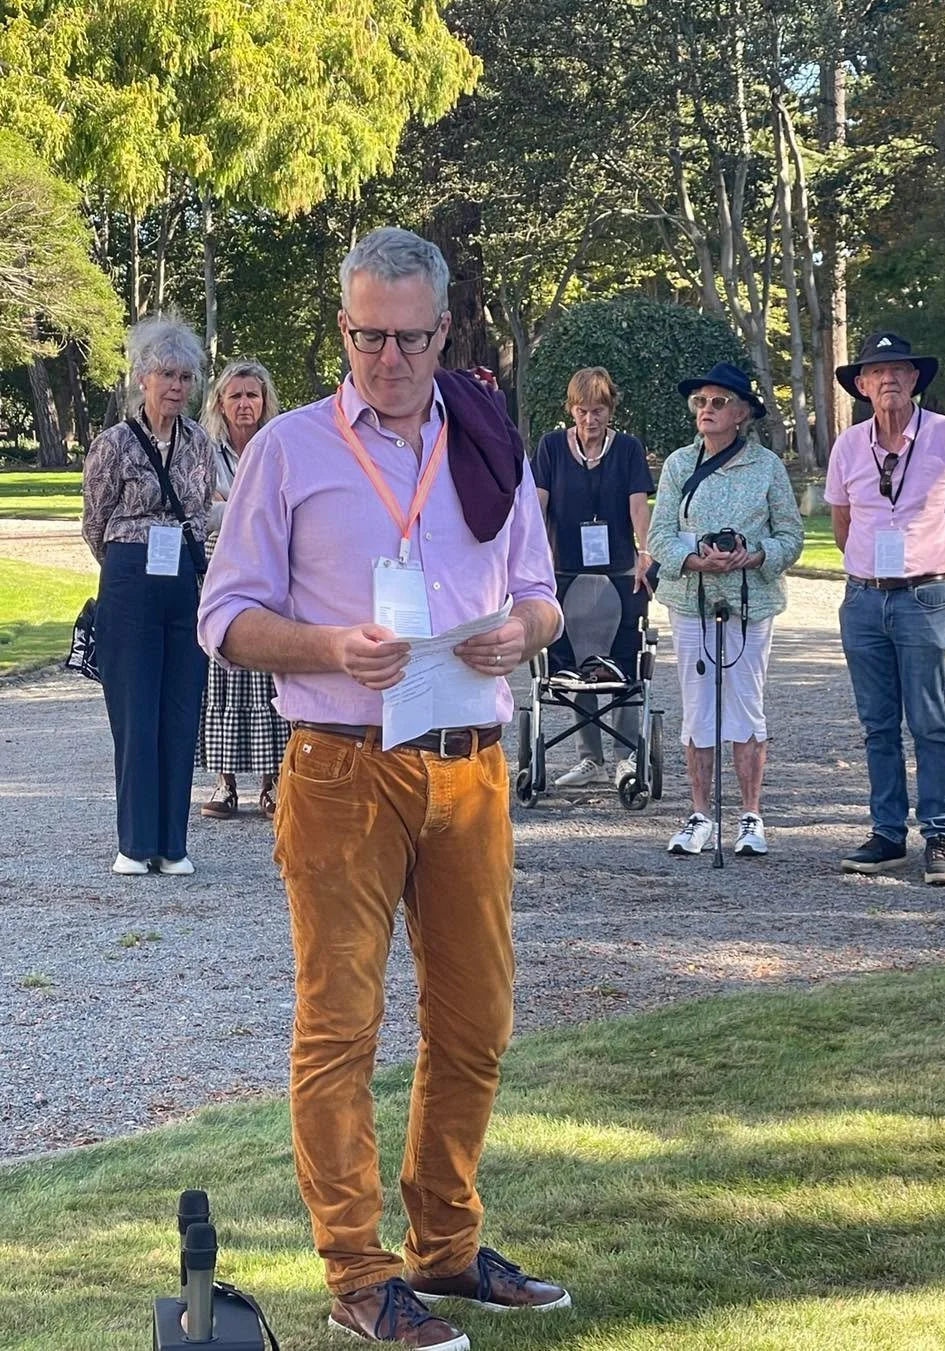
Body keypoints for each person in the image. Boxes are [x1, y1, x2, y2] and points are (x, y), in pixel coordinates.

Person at [198, 227, 567, 1349]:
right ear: (344, 330)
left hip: (467, 765)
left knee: (476, 1022)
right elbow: (225, 619)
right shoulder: (292, 450)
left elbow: (544, 594)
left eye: (410, 337)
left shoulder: (490, 440)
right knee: (341, 1024)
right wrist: (324, 648)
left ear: (444, 331)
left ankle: (446, 1249)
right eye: (367, 337)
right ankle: (360, 1274)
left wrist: (520, 629)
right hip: (342, 769)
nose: (389, 358)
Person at [826, 332, 945, 885]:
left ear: (916, 379)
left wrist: (935, 564)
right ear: (861, 387)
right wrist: (871, 567)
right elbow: (843, 525)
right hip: (863, 597)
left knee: (931, 721)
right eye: (876, 372)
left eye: (899, 370)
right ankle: (888, 833)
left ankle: (940, 835)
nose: (888, 378)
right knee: (877, 724)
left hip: (924, 594)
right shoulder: (847, 446)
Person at [648, 361, 803, 857]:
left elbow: (792, 536)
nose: (706, 410)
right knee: (697, 708)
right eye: (700, 402)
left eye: (718, 403)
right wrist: (695, 560)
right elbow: (658, 536)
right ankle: (699, 814)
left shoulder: (767, 467)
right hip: (691, 601)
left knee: (746, 706)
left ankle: (751, 816)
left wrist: (753, 556)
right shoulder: (677, 464)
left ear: (741, 413)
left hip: (751, 602)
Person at [81, 316, 213, 877]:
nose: (176, 386)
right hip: (131, 578)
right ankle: (135, 844)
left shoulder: (199, 444)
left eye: (185, 376)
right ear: (142, 378)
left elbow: (204, 508)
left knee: (181, 709)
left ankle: (172, 843)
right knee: (136, 712)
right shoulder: (112, 444)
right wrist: (126, 562)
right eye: (166, 374)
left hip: (182, 576)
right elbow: (95, 521)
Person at [532, 368, 654, 788]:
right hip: (566, 571)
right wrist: (534, 559)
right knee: (577, 667)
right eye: (582, 411)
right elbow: (538, 506)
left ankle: (625, 755)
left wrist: (646, 552)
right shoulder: (550, 448)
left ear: (610, 410)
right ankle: (590, 758)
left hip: (618, 571)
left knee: (622, 664)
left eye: (598, 411)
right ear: (571, 410)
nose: (590, 420)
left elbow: (639, 506)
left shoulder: (629, 450)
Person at [197, 359, 289, 821]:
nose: (244, 403)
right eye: (235, 395)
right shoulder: (202, 450)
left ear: (265, 400)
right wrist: (246, 509)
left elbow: (286, 511)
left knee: (269, 675)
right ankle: (225, 784)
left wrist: (229, 505)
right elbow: (201, 513)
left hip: (272, 575)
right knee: (224, 678)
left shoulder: (282, 446)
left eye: (252, 394)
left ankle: (274, 783)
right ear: (220, 402)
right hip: (218, 573)